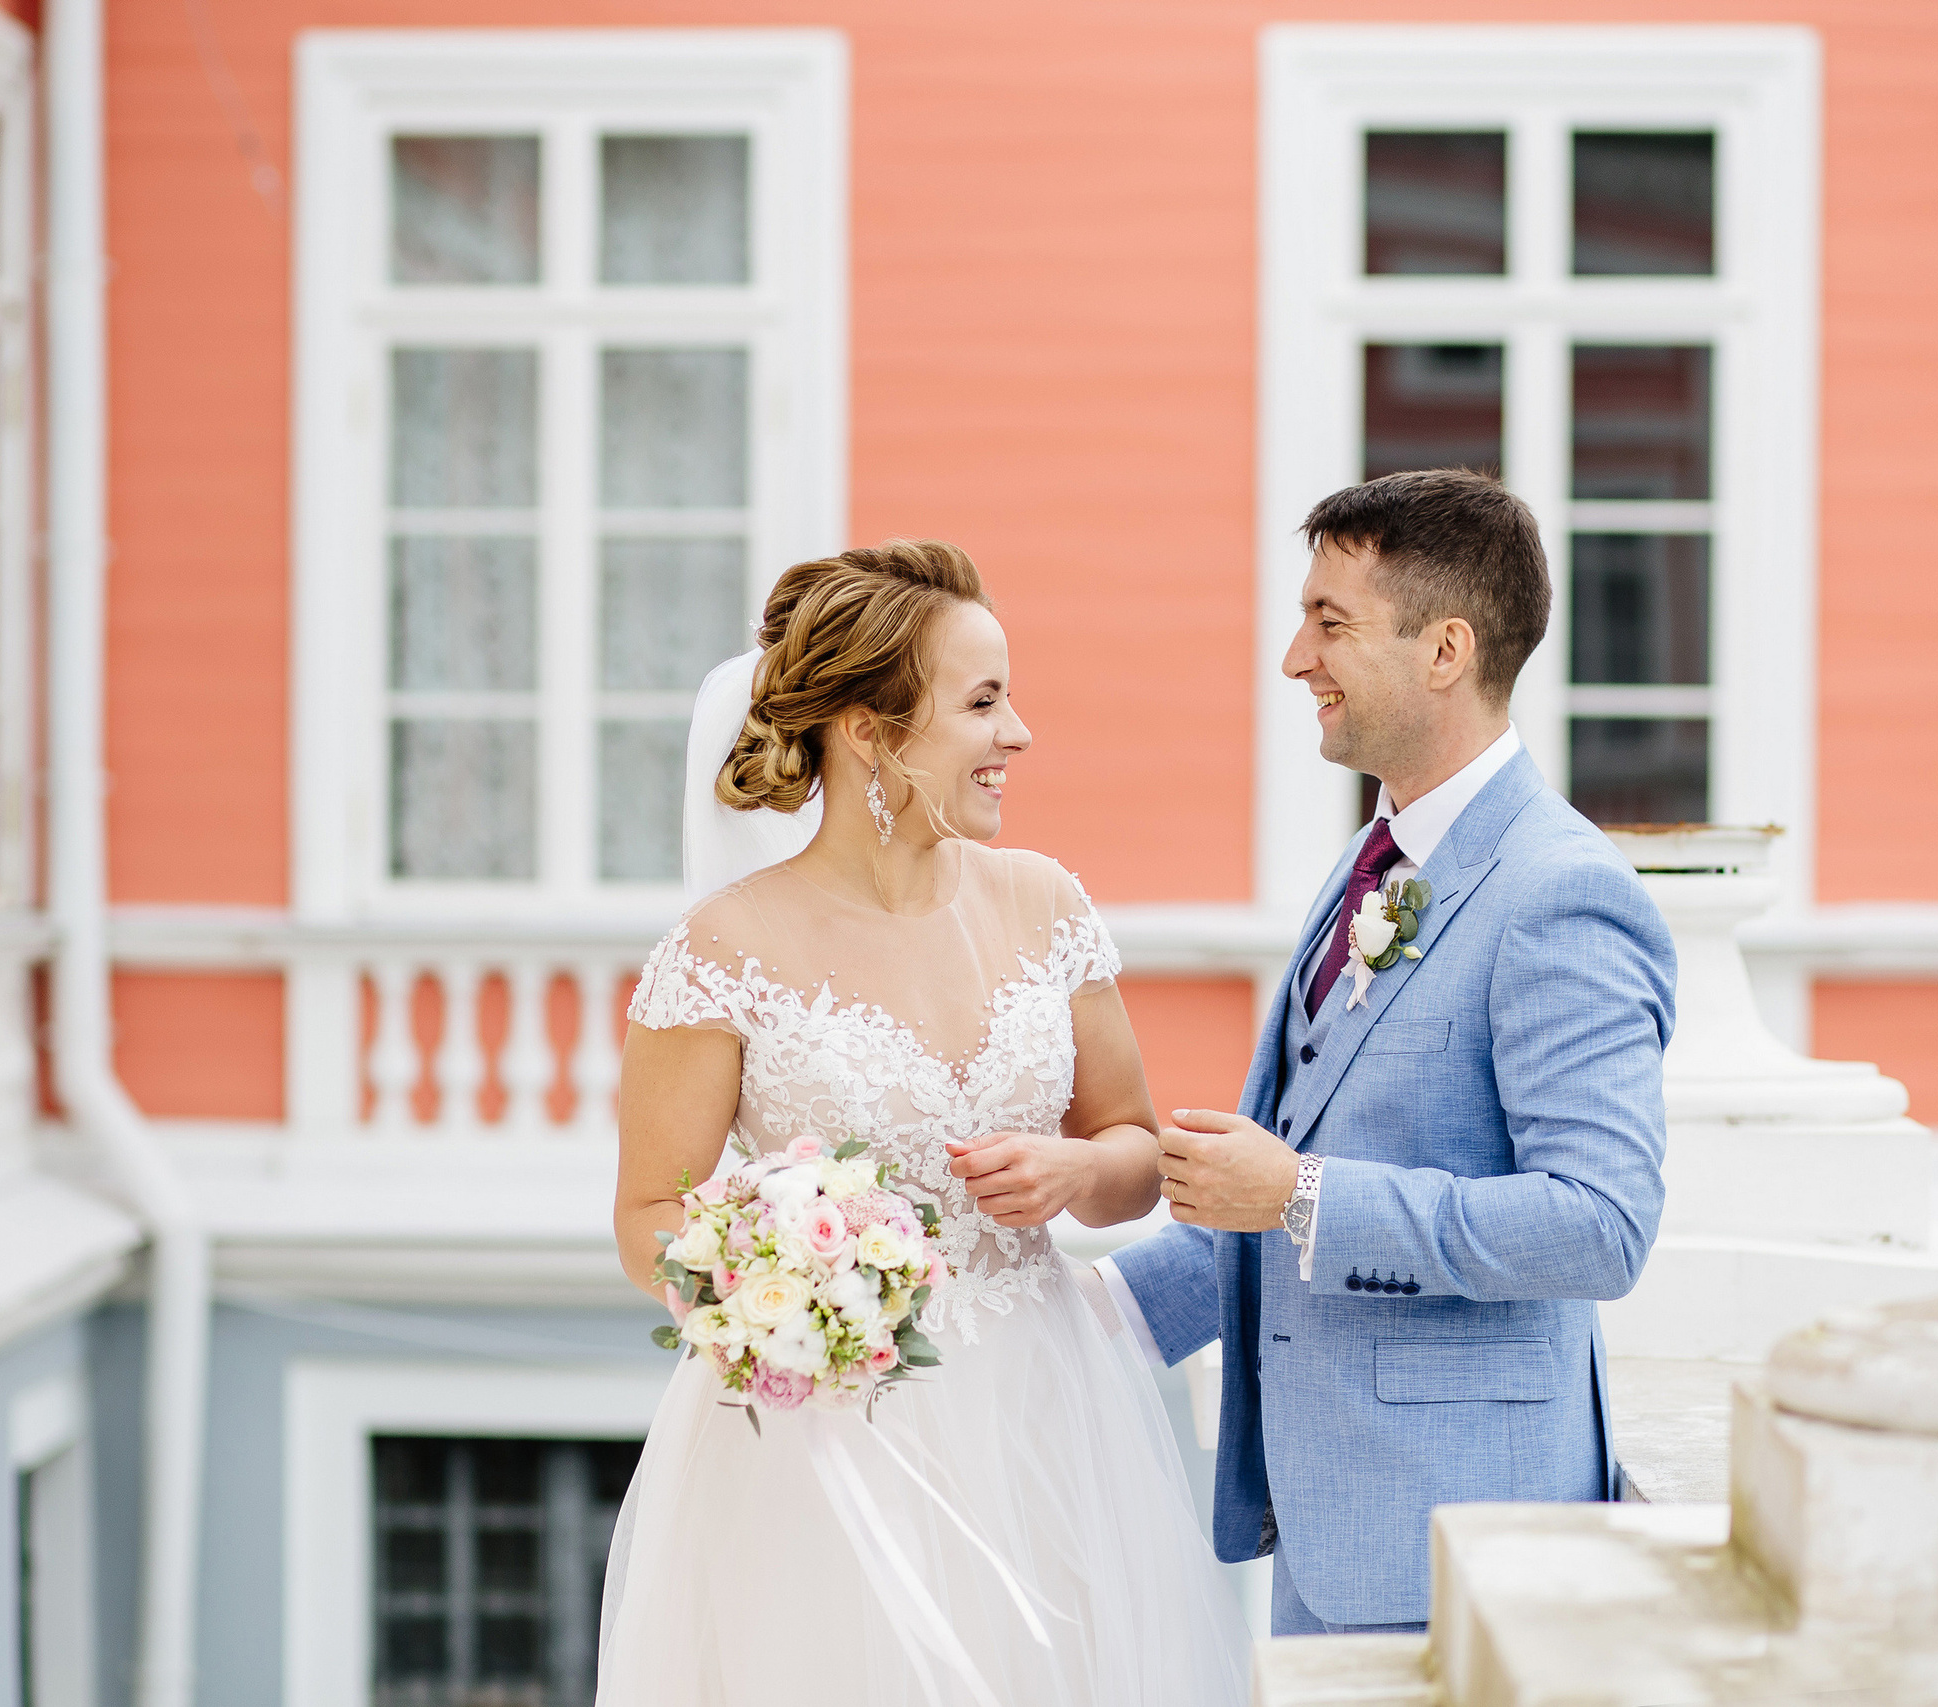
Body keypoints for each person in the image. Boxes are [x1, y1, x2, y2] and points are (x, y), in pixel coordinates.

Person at [600, 539, 1250, 1707]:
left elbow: (1136, 1153)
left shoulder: (1047, 905)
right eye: (984, 703)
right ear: (872, 735)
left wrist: (1073, 1171)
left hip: (1047, 1412)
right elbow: (650, 1216)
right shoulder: (722, 953)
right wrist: (782, 1286)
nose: (1020, 735)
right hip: (824, 1445)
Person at [1100, 469, 1678, 1635]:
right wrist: (1088, 1320)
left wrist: (1301, 1192)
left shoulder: (1559, 893)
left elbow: (1598, 1225)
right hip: (1331, 1533)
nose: (1292, 659)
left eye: (1329, 623)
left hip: (1464, 1551)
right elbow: (1299, 1169)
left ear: (1445, 650)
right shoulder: (1377, 856)